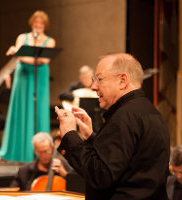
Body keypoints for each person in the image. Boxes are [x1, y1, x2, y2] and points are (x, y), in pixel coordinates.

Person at [55, 53, 170, 199]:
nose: (93, 87)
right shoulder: (151, 112)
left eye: (99, 79)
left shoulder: (123, 117)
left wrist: (69, 134)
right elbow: (127, 163)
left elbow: (100, 176)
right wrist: (91, 138)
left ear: (122, 81)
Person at [0, 10, 56, 162]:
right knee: (20, 110)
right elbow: (23, 56)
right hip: (23, 76)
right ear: (31, 23)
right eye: (36, 22)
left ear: (45, 25)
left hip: (39, 76)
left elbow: (44, 61)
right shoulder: (23, 37)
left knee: (38, 110)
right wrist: (28, 57)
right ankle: (13, 152)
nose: (38, 25)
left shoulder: (50, 41)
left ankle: (40, 152)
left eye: (41, 23)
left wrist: (22, 55)